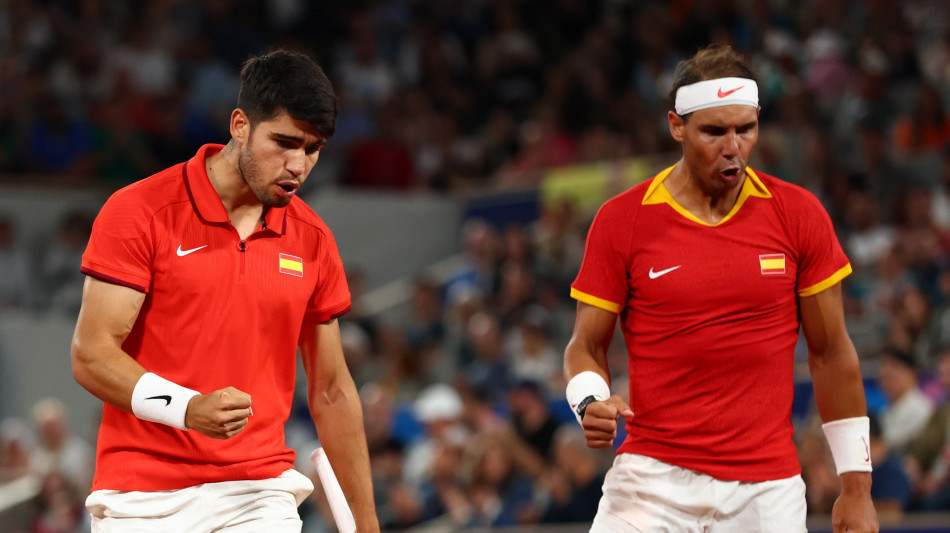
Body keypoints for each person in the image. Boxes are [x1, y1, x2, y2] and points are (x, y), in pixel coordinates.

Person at [563, 45, 878, 532]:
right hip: (651, 480)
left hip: (767, 491)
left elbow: (832, 353)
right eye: (714, 131)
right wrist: (588, 400)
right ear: (677, 126)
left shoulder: (798, 214)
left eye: (745, 129)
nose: (733, 147)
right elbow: (584, 346)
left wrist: (855, 487)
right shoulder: (621, 220)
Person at [71, 49, 379, 532]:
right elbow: (91, 354)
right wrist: (187, 409)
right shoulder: (139, 211)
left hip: (259, 495)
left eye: (313, 149)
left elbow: (333, 391)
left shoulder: (313, 239)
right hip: (142, 498)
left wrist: (365, 524)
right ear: (240, 125)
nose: (297, 165)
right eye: (284, 142)